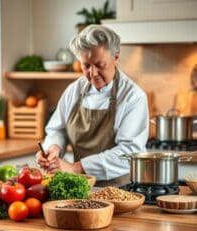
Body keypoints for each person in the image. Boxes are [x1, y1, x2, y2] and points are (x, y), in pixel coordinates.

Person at [36, 25, 149, 186]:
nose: (93, 73)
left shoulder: (133, 96)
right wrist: (53, 148)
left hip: (120, 191)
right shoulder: (74, 90)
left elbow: (130, 153)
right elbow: (57, 129)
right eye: (86, 66)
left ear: (116, 57)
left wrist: (76, 168)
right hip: (79, 188)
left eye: (100, 65)